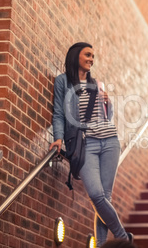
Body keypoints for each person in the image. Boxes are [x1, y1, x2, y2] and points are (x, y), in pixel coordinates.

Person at [49, 42, 133, 247]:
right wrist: (58, 138)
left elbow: (106, 118)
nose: (91, 59)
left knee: (104, 198)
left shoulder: (96, 83)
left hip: (110, 141)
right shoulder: (64, 82)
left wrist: (108, 104)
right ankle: (123, 238)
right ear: (76, 55)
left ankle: (104, 245)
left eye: (93, 56)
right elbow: (59, 113)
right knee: (96, 195)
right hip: (87, 144)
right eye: (88, 54)